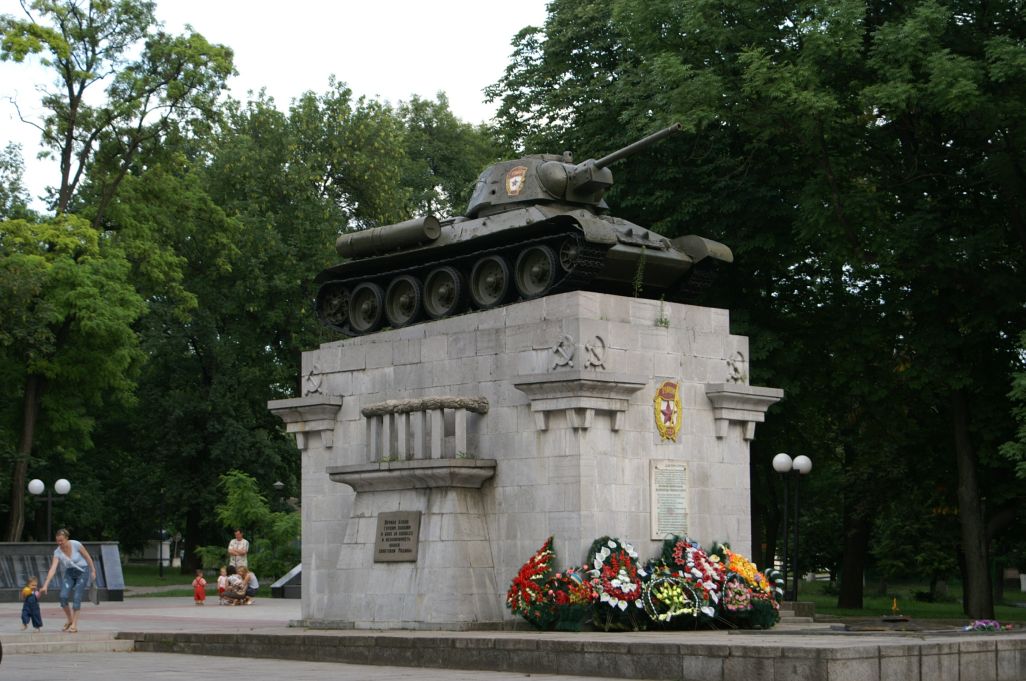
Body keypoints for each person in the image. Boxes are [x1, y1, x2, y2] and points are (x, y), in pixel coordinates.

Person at [40, 528, 97, 633]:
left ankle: (74, 624)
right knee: (63, 596)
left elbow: (87, 557)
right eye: (57, 541)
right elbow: (53, 568)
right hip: (70, 573)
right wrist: (45, 585)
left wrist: (93, 570)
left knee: (77, 597)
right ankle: (70, 619)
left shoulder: (76, 544)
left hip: (82, 571)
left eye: (61, 540)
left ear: (67, 538)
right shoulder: (57, 552)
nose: (59, 543)